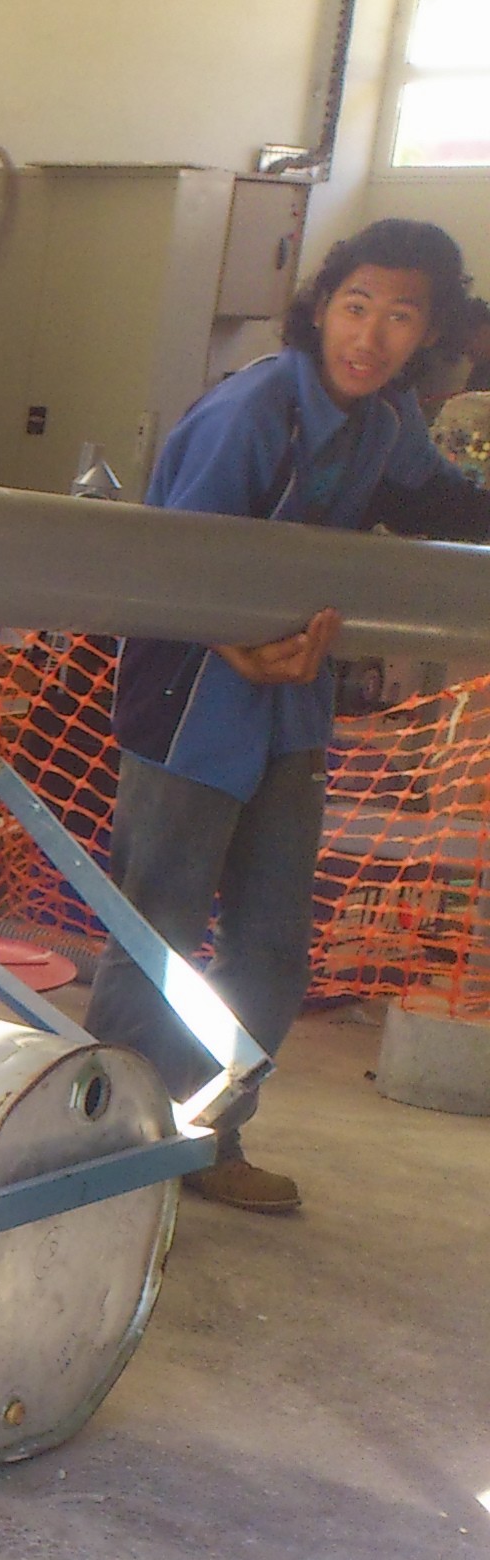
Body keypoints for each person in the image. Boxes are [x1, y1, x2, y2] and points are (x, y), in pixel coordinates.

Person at [83, 216, 490, 1214]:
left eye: (401, 317)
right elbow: (176, 558)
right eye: (357, 307)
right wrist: (238, 643)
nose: (371, 336)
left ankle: (209, 1134)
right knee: (158, 927)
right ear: (321, 308)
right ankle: (102, 1151)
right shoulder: (253, 410)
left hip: (290, 713)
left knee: (272, 944)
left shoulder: (386, 422)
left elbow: (441, 506)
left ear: (431, 332)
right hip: (192, 698)